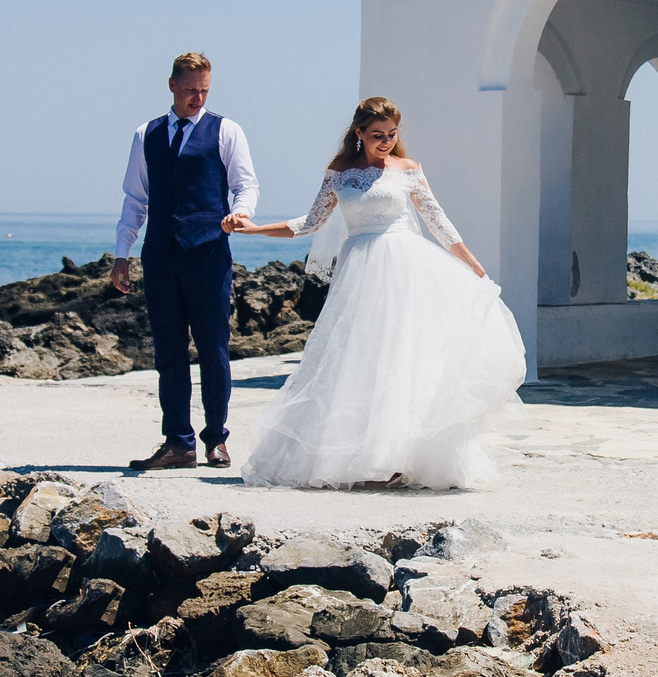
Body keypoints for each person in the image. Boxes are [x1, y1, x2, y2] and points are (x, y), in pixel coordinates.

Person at [223, 96, 525, 489]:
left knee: (402, 357)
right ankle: (365, 458)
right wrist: (254, 229)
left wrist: (471, 262)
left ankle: (402, 458)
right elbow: (310, 223)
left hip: (404, 268)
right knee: (358, 360)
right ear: (359, 133)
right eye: (377, 135)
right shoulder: (339, 173)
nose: (386, 141)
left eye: (392, 134)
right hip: (359, 273)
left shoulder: (408, 170)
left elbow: (437, 220)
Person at [112, 51, 259, 470]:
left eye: (204, 90)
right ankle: (178, 442)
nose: (198, 98)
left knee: (213, 349)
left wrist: (241, 213)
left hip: (208, 252)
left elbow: (246, 185)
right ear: (172, 85)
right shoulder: (147, 134)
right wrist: (122, 254)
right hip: (160, 255)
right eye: (191, 90)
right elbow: (135, 198)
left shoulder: (225, 130)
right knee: (169, 352)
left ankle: (216, 440)